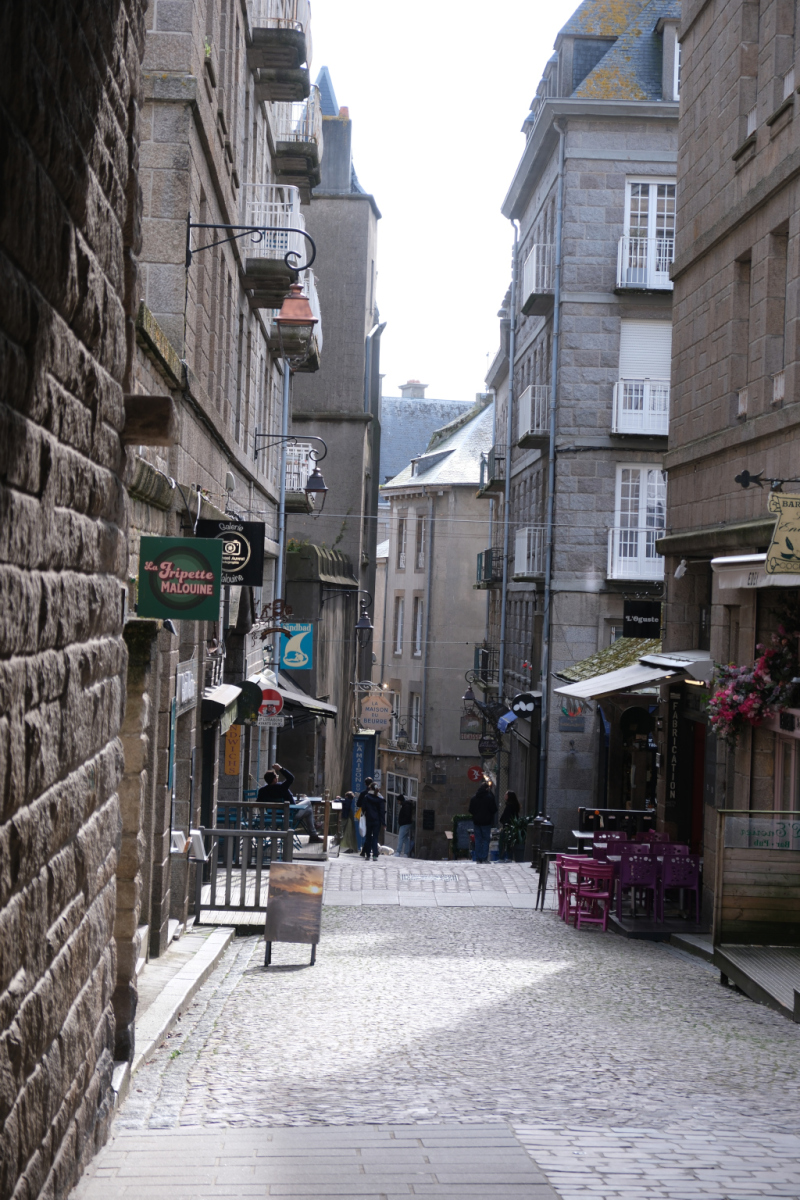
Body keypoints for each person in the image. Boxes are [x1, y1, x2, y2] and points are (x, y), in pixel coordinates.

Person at [257, 762, 322, 842]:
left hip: (272, 816)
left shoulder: (262, 791)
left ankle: (314, 835)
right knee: (308, 802)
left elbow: (259, 803)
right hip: (290, 814)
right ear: (274, 779)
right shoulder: (281, 787)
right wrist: (280, 769)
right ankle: (314, 832)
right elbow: (291, 778)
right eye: (276, 776)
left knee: (309, 811)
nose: (277, 778)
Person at [469, 777, 497, 863]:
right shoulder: (489, 798)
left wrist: (476, 815)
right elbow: (494, 809)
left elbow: (470, 810)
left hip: (477, 822)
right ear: (487, 789)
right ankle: (484, 858)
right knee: (485, 840)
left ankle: (478, 858)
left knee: (478, 840)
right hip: (486, 822)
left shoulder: (474, 798)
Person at [361, 783, 386, 862]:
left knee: (368, 837)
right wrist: (383, 823)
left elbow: (363, 808)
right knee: (375, 838)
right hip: (377, 820)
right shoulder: (380, 799)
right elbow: (382, 812)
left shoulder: (366, 797)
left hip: (369, 819)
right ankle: (375, 855)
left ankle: (368, 855)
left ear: (370, 788)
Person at [499, 790, 521, 861]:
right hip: (511, 826)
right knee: (509, 842)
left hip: (508, 826)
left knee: (504, 841)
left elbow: (506, 817)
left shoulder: (509, 806)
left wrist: (504, 822)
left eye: (506, 794)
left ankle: (504, 857)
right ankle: (508, 857)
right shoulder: (514, 805)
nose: (504, 796)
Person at [357, 778, 374, 857]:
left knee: (367, 833)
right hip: (374, 816)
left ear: (365, 784)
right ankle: (369, 850)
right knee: (371, 834)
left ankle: (365, 851)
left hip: (366, 815)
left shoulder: (364, 793)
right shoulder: (376, 793)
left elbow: (358, 804)